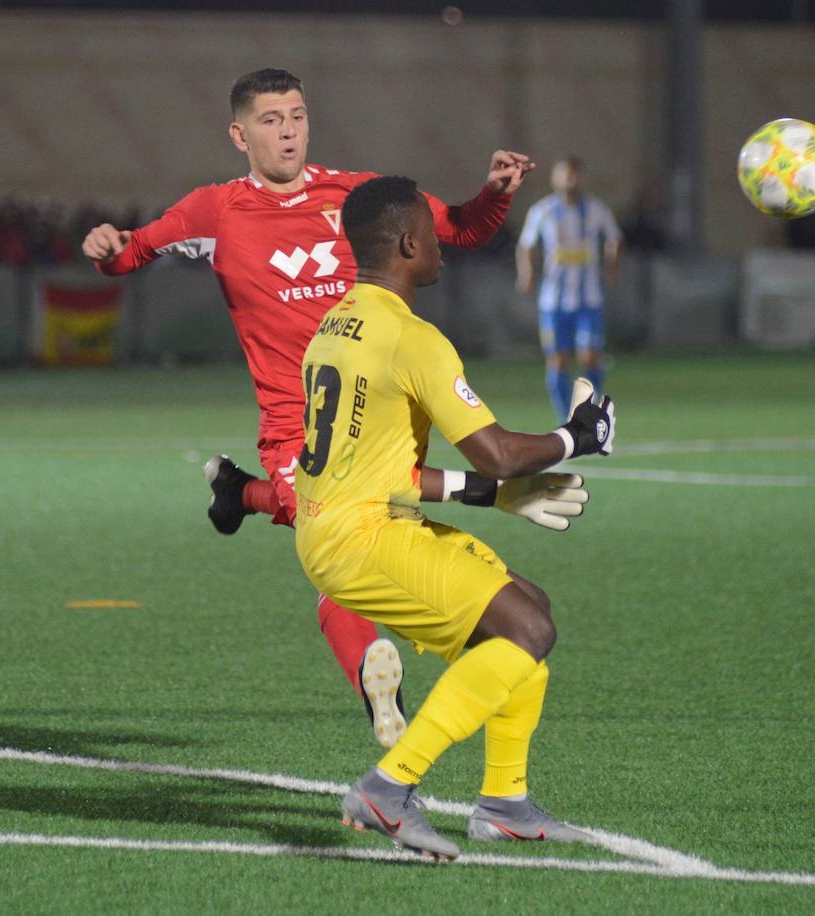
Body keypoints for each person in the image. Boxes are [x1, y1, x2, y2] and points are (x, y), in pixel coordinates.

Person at [81, 68, 534, 748]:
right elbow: (135, 252)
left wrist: (493, 194)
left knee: (352, 537)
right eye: (270, 119)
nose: (288, 129)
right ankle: (374, 683)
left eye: (296, 115)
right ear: (240, 134)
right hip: (298, 426)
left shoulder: (352, 195)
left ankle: (240, 495)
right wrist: (108, 251)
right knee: (338, 546)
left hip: (379, 418)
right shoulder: (216, 210)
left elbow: (459, 231)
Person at [297, 176, 614, 860]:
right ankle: (388, 787)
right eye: (434, 235)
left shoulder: (336, 322)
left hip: (344, 524)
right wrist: (577, 437)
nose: (443, 245)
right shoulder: (413, 339)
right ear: (409, 244)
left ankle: (504, 803)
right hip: (364, 537)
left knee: (528, 606)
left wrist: (497, 499)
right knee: (526, 630)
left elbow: (389, 471)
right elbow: (497, 451)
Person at [516, 156, 622, 421]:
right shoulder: (543, 211)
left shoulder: (596, 210)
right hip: (553, 302)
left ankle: (587, 410)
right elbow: (526, 244)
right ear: (555, 179)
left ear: (581, 178)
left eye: (574, 175)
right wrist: (527, 272)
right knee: (558, 360)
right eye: (565, 175)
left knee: (589, 357)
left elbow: (615, 239)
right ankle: (568, 419)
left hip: (588, 300)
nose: (570, 181)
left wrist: (611, 267)